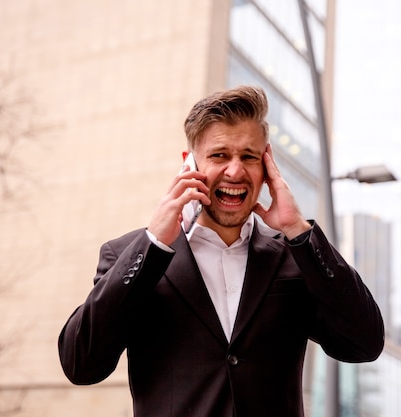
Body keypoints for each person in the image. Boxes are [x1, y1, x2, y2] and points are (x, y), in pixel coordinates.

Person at [58, 85, 384, 417]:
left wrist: (298, 230)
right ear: (189, 165)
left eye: (248, 156)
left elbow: (364, 343)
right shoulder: (130, 255)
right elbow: (80, 364)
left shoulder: (294, 258)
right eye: (219, 155)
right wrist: (153, 242)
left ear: (266, 166)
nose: (235, 171)